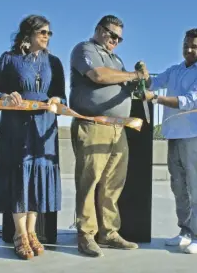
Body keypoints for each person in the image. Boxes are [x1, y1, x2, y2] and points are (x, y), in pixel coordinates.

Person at [0, 15, 66, 260]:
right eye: (42, 32)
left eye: (49, 33)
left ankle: (32, 232)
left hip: (44, 127)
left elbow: (62, 96)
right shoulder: (9, 59)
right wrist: (6, 96)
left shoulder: (54, 62)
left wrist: (57, 100)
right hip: (16, 127)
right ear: (27, 34)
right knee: (19, 175)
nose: (47, 36)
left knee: (37, 178)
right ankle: (19, 234)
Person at [69, 15, 146, 257]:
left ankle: (109, 232)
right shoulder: (84, 49)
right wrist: (133, 75)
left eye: (119, 38)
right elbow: (98, 76)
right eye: (112, 35)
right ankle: (86, 234)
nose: (115, 41)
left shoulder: (117, 59)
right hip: (92, 125)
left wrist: (140, 81)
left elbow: (124, 84)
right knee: (89, 180)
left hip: (118, 128)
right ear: (99, 30)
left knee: (113, 184)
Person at [140, 28, 197, 254]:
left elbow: (188, 101)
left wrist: (156, 98)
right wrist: (144, 76)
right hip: (173, 135)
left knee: (196, 188)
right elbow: (153, 83)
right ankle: (185, 231)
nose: (189, 49)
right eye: (186, 45)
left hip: (194, 137)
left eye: (194, 46)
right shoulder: (175, 70)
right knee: (178, 187)